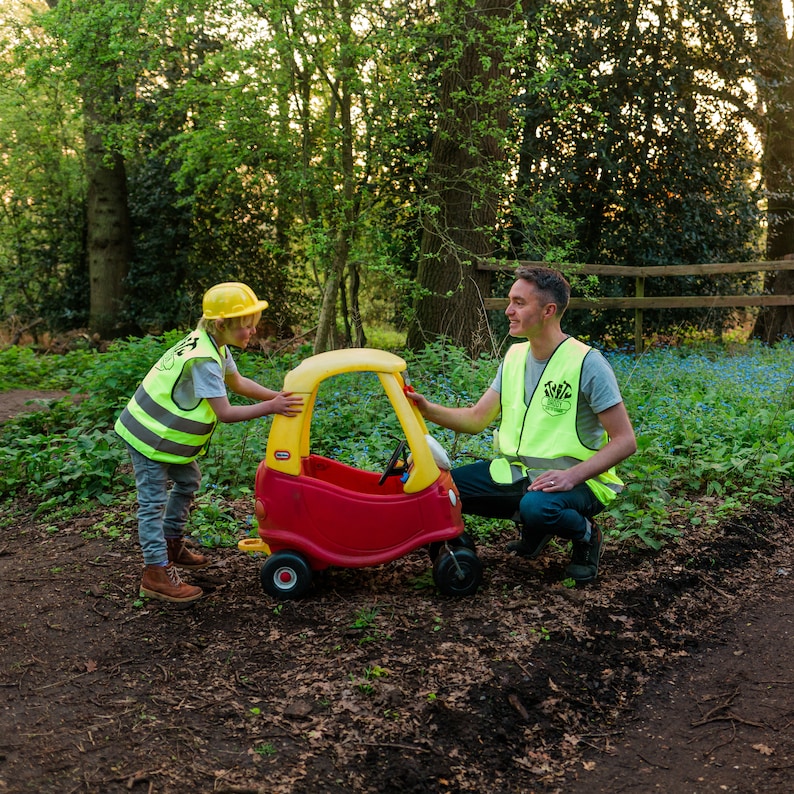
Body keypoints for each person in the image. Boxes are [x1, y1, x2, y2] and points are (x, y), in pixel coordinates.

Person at [406, 266, 636, 583]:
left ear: (548, 311)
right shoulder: (514, 357)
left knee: (538, 507)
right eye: (510, 301)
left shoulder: (588, 363)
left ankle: (585, 536)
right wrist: (426, 409)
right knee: (446, 491)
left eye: (519, 303)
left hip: (582, 483)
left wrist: (571, 477)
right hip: (519, 474)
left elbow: (625, 440)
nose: (509, 311)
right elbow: (476, 419)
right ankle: (536, 526)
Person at [114, 282, 303, 603]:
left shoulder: (215, 346)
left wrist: (280, 396)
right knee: (152, 503)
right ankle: (156, 572)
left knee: (188, 480)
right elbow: (225, 412)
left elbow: (238, 382)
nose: (253, 330)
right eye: (246, 325)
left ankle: (170, 543)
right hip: (146, 437)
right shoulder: (203, 360)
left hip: (165, 438)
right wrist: (272, 408)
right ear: (221, 324)